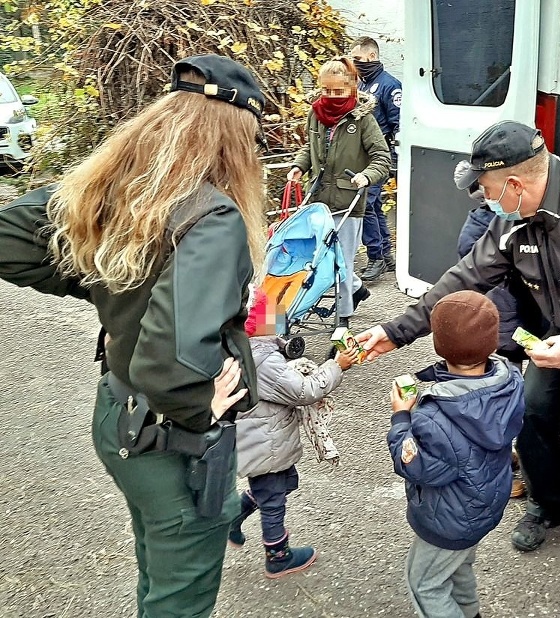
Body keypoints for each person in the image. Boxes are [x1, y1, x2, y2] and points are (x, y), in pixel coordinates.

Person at [0, 55, 266, 617]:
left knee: (157, 570)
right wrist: (202, 404)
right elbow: (173, 360)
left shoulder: (120, 192)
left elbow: (9, 238)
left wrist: (107, 280)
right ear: (236, 141)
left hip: (117, 415)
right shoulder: (212, 217)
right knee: (179, 599)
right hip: (175, 443)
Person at [360, 120, 560, 553]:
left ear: (513, 184)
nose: (484, 200)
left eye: (486, 189)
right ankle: (549, 505)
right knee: (528, 411)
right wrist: (395, 332)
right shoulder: (514, 222)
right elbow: (463, 279)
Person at [387, 290, 525, 618]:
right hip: (483, 506)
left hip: (448, 519)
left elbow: (415, 466)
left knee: (425, 584)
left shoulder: (435, 416)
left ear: (440, 344)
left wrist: (401, 417)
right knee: (458, 569)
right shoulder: (509, 379)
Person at [228, 291, 356, 578]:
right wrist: (337, 366)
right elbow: (304, 391)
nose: (278, 316)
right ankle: (278, 556)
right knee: (273, 499)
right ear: (259, 324)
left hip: (264, 440)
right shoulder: (263, 361)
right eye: (272, 314)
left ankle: (232, 515)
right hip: (266, 444)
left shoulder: (248, 348)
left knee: (283, 483)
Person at [287, 56, 391, 328]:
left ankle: (342, 318)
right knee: (314, 258)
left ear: (351, 88)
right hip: (318, 199)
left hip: (349, 201)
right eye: (326, 90)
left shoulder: (363, 118)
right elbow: (309, 148)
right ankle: (356, 289)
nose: (331, 96)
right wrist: (300, 166)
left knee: (341, 263)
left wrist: (366, 176)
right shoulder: (316, 114)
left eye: (338, 91)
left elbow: (382, 157)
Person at [454, 159, 536, 499]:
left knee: (516, 396)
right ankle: (504, 470)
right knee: (506, 399)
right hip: (505, 324)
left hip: (518, 321)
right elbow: (474, 267)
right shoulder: (487, 227)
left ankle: (511, 458)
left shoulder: (494, 219)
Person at [350, 36, 402, 281]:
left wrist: (394, 159)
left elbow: (397, 124)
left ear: (372, 56)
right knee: (374, 204)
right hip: (363, 155)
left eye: (358, 59)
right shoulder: (362, 86)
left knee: (366, 203)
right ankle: (385, 254)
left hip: (380, 156)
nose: (355, 63)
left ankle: (376, 257)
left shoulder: (390, 85)